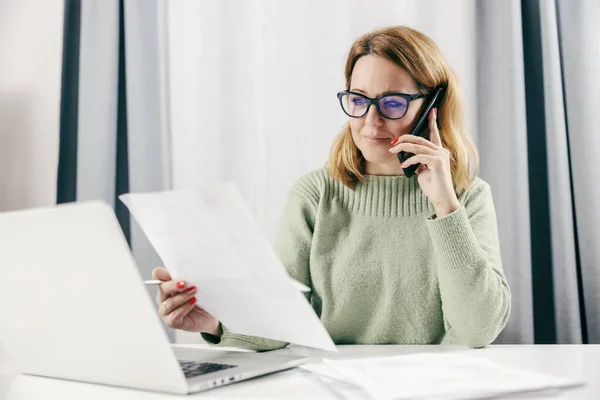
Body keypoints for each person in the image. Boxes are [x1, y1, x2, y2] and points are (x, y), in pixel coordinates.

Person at [152, 25, 511, 350]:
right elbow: (284, 322)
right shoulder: (315, 195)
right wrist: (216, 324)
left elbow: (477, 330)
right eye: (358, 100)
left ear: (433, 107)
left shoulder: (468, 197)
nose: (371, 122)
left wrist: (445, 206)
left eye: (392, 102)